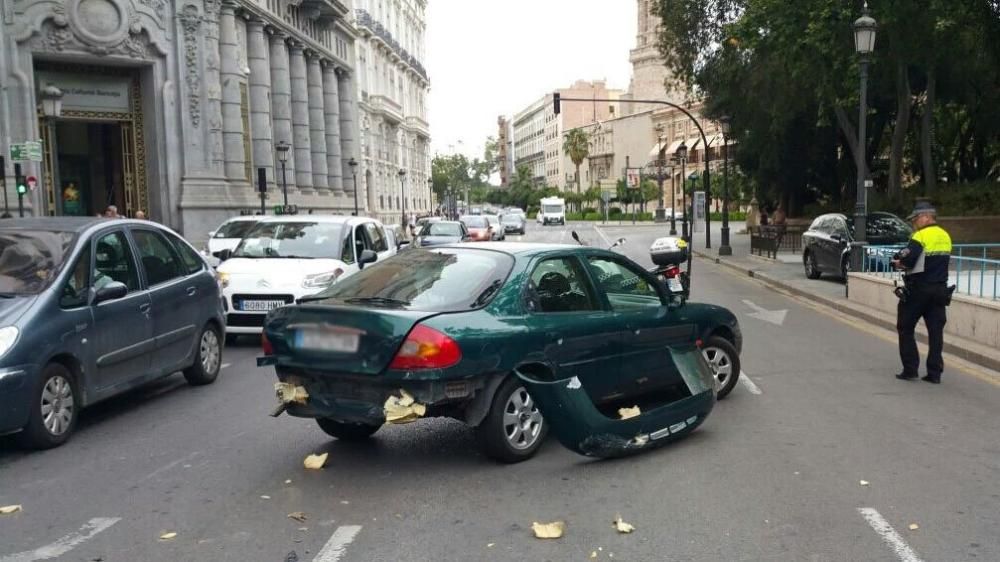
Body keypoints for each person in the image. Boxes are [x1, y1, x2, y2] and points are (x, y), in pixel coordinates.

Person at [891, 201, 953, 384]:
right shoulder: (945, 235)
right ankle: (935, 373)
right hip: (940, 289)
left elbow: (908, 260)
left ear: (926, 217)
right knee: (935, 332)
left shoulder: (920, 235)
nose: (914, 223)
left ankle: (910, 369)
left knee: (905, 326)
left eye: (916, 219)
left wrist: (898, 262)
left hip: (919, 289)